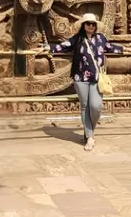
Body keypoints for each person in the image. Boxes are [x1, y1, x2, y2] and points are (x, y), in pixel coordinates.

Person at [45, 13, 123, 151]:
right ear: (83, 25)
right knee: (85, 106)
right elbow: (63, 46)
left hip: (96, 78)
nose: (91, 26)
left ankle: (89, 132)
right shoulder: (77, 39)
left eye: (93, 24)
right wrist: (46, 48)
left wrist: (126, 49)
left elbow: (110, 47)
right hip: (80, 78)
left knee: (96, 106)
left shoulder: (101, 38)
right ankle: (90, 136)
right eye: (88, 23)